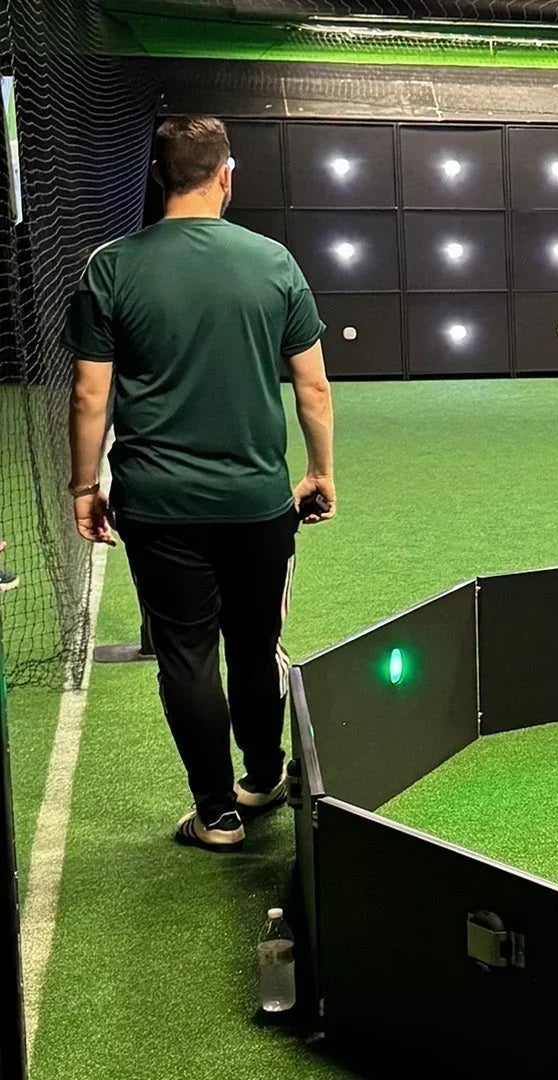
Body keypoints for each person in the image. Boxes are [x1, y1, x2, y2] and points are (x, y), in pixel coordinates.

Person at [62, 114, 335, 852]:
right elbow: (311, 388)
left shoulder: (110, 266)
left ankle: (216, 813)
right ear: (226, 175)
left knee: (187, 656)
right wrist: (319, 472)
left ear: (155, 177)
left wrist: (85, 487)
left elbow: (90, 396)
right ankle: (265, 774)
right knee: (255, 644)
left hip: (159, 506)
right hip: (256, 503)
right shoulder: (274, 261)